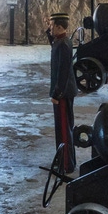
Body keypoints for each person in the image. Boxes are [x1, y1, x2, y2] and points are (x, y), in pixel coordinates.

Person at [48, 12, 78, 174]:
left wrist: (56, 94)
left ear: (59, 27)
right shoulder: (60, 41)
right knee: (61, 128)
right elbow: (53, 45)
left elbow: (63, 72)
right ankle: (61, 159)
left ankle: (67, 164)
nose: (51, 28)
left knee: (65, 130)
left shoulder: (64, 45)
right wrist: (47, 32)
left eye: (52, 26)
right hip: (62, 93)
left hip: (63, 94)